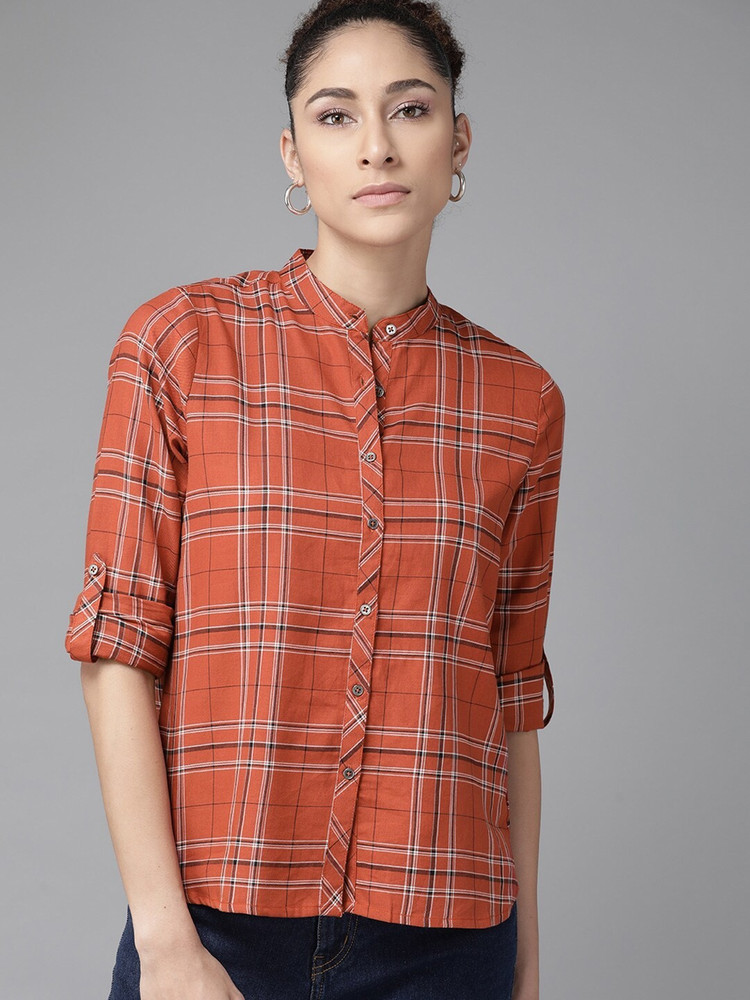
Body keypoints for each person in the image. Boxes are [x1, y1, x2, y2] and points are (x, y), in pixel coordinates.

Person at [64, 2, 566, 998]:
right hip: (216, 928)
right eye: (336, 116)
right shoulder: (180, 345)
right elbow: (119, 648)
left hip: (447, 937)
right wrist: (165, 939)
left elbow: (509, 695)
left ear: (459, 142)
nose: (377, 145)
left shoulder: (521, 400)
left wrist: (526, 951)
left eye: (411, 109)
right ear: (293, 155)